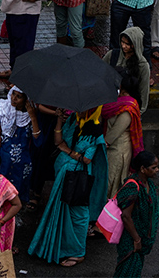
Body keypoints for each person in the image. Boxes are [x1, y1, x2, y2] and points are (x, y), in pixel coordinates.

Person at [28, 107, 108, 267]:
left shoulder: (93, 127)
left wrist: (68, 151)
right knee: (66, 211)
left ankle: (78, 253)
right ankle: (64, 247)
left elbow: (86, 159)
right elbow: (58, 140)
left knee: (78, 214)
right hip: (66, 172)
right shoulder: (74, 120)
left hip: (77, 175)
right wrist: (58, 119)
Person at [0, 86, 46, 204]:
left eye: (19, 96)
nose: (14, 99)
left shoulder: (32, 114)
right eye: (13, 94)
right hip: (2, 162)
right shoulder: (1, 109)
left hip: (22, 165)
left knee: (16, 199)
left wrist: (33, 117)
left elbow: (38, 141)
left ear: (26, 99)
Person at [114, 150, 159, 278]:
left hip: (140, 237)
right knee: (127, 271)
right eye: (153, 167)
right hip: (131, 239)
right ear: (142, 169)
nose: (157, 170)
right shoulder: (133, 188)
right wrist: (137, 239)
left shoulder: (148, 183)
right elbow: (126, 216)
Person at [101, 76, 144, 198]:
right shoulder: (119, 103)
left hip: (118, 151)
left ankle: (108, 211)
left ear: (123, 89)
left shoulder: (127, 108)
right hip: (114, 149)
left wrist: (103, 143)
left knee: (112, 182)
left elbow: (114, 133)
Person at [102, 26, 151, 112]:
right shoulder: (112, 54)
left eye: (127, 44)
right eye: (122, 42)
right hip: (109, 101)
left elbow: (144, 91)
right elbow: (101, 71)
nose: (123, 46)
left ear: (135, 44)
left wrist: (139, 112)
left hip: (127, 107)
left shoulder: (143, 66)